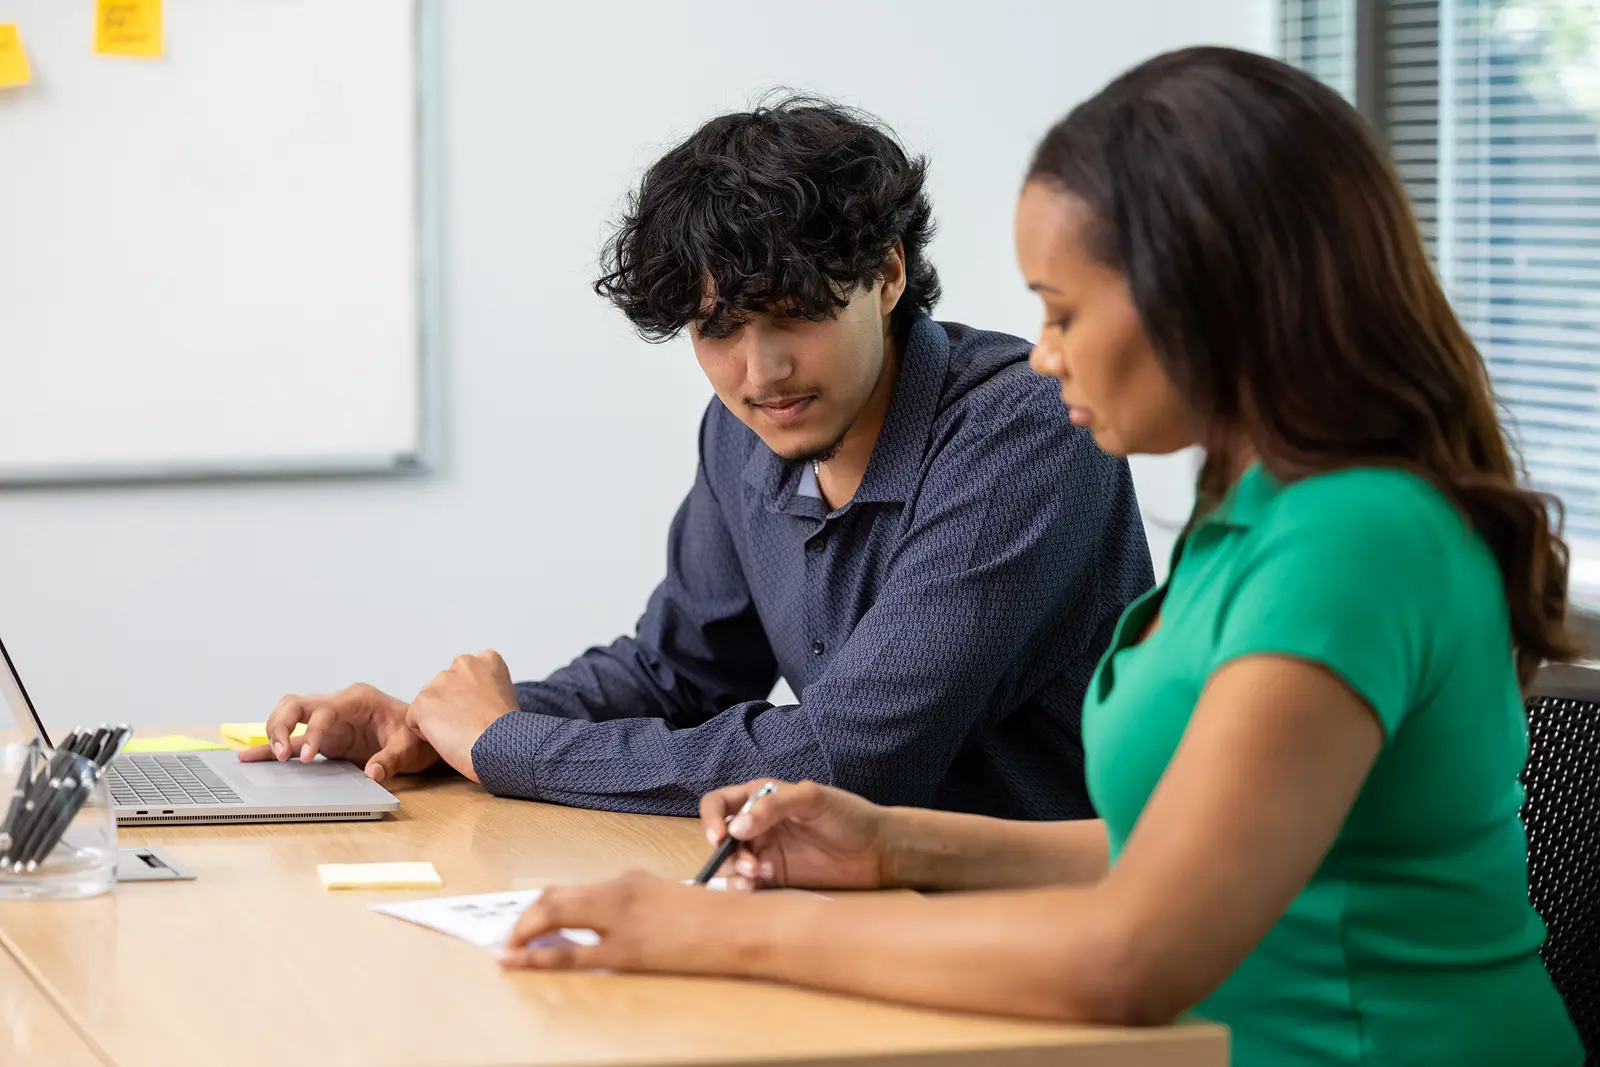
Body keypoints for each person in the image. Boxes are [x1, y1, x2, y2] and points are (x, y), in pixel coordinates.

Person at [497, 49, 1586, 1067]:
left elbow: (1130, 953)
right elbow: (1160, 851)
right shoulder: (1249, 510)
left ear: (1205, 299)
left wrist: (712, 931)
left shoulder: (1351, 540)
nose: (1043, 352)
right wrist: (891, 844)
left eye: (1062, 310)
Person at [240, 98, 1153, 821]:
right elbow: (677, 675)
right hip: (843, 898)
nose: (761, 372)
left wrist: (505, 743)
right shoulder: (746, 429)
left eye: (795, 313)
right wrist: (430, 725)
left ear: (886, 276)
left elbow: (849, 758)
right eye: (717, 329)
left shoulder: (1025, 428)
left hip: (1048, 939)